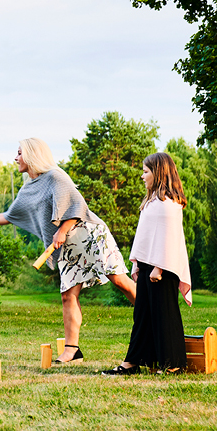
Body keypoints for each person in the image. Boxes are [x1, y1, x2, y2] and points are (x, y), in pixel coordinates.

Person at [0, 138, 136, 364]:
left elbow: (77, 205)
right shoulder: (28, 187)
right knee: (67, 294)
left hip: (88, 234)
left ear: (32, 155)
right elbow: (9, 216)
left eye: (20, 153)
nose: (16, 158)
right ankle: (72, 350)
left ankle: (152, 320)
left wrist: (62, 229)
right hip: (68, 245)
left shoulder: (56, 176)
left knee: (119, 280)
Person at [103, 152, 192, 375]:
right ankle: (133, 362)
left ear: (158, 173)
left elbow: (169, 238)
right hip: (148, 266)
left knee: (165, 314)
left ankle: (173, 364)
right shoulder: (152, 201)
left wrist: (159, 267)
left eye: (145, 172)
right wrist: (139, 265)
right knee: (142, 314)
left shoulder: (168, 204)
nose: (142, 176)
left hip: (162, 268)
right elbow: (146, 236)